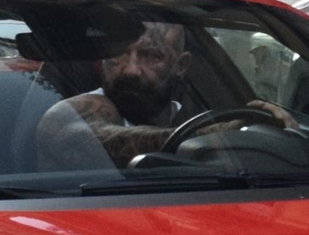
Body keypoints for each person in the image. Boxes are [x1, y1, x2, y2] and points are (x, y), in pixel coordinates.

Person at [32, 21, 291, 170]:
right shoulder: (76, 111)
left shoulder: (188, 114)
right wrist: (222, 134)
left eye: (151, 56)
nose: (131, 69)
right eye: (117, 53)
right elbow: (101, 141)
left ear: (181, 66)